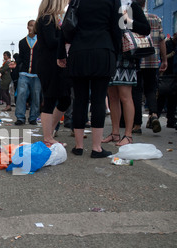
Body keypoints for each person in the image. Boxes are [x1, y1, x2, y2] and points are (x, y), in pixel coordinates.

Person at [58, 0, 123, 158]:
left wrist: (61, 53)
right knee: (99, 100)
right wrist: (116, 52)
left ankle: (79, 146)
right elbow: (118, 27)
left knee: (80, 100)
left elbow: (66, 27)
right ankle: (96, 147)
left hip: (79, 51)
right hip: (103, 50)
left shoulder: (77, 0)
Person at [102, 0, 150, 147]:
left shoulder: (130, 5)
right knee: (112, 96)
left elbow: (145, 29)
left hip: (125, 57)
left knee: (125, 96)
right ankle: (115, 133)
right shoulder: (109, 5)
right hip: (110, 55)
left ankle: (128, 135)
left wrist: (128, 20)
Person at [35, 0, 72, 145]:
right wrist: (67, 38)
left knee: (65, 99)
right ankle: (47, 138)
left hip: (54, 64)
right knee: (50, 100)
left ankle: (49, 132)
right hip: (49, 65)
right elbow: (51, 42)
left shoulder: (51, 19)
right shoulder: (46, 18)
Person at [131, 0, 167, 135]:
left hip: (137, 58)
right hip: (152, 59)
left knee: (136, 92)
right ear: (145, 3)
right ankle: (153, 114)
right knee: (151, 89)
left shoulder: (131, 17)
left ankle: (137, 124)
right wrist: (164, 59)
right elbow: (162, 40)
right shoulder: (155, 18)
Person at [14, 20, 42, 126]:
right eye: (31, 26)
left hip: (37, 74)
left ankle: (33, 117)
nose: (32, 28)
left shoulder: (41, 41)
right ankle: (20, 117)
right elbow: (21, 56)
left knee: (36, 96)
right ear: (27, 27)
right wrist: (15, 63)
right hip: (24, 73)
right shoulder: (22, 42)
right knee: (21, 95)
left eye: (35, 26)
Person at [157, 30, 177, 128]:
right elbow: (163, 56)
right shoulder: (168, 44)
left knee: (173, 99)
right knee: (162, 97)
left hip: (174, 74)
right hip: (166, 74)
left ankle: (170, 119)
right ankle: (156, 117)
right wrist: (172, 54)